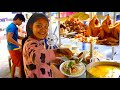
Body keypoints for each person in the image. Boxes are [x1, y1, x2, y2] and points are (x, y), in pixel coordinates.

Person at [22, 13, 73, 78]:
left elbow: (40, 55)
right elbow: (37, 57)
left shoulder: (37, 42)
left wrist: (50, 61)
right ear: (31, 26)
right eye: (39, 26)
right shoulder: (30, 43)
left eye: (46, 26)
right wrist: (57, 51)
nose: (43, 29)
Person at [6, 13, 25, 78]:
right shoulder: (12, 27)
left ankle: (12, 76)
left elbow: (16, 37)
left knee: (14, 63)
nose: (21, 23)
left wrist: (25, 38)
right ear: (18, 19)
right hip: (13, 48)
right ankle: (21, 76)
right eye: (21, 21)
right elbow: (9, 38)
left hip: (13, 48)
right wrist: (19, 44)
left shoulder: (14, 26)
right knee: (20, 64)